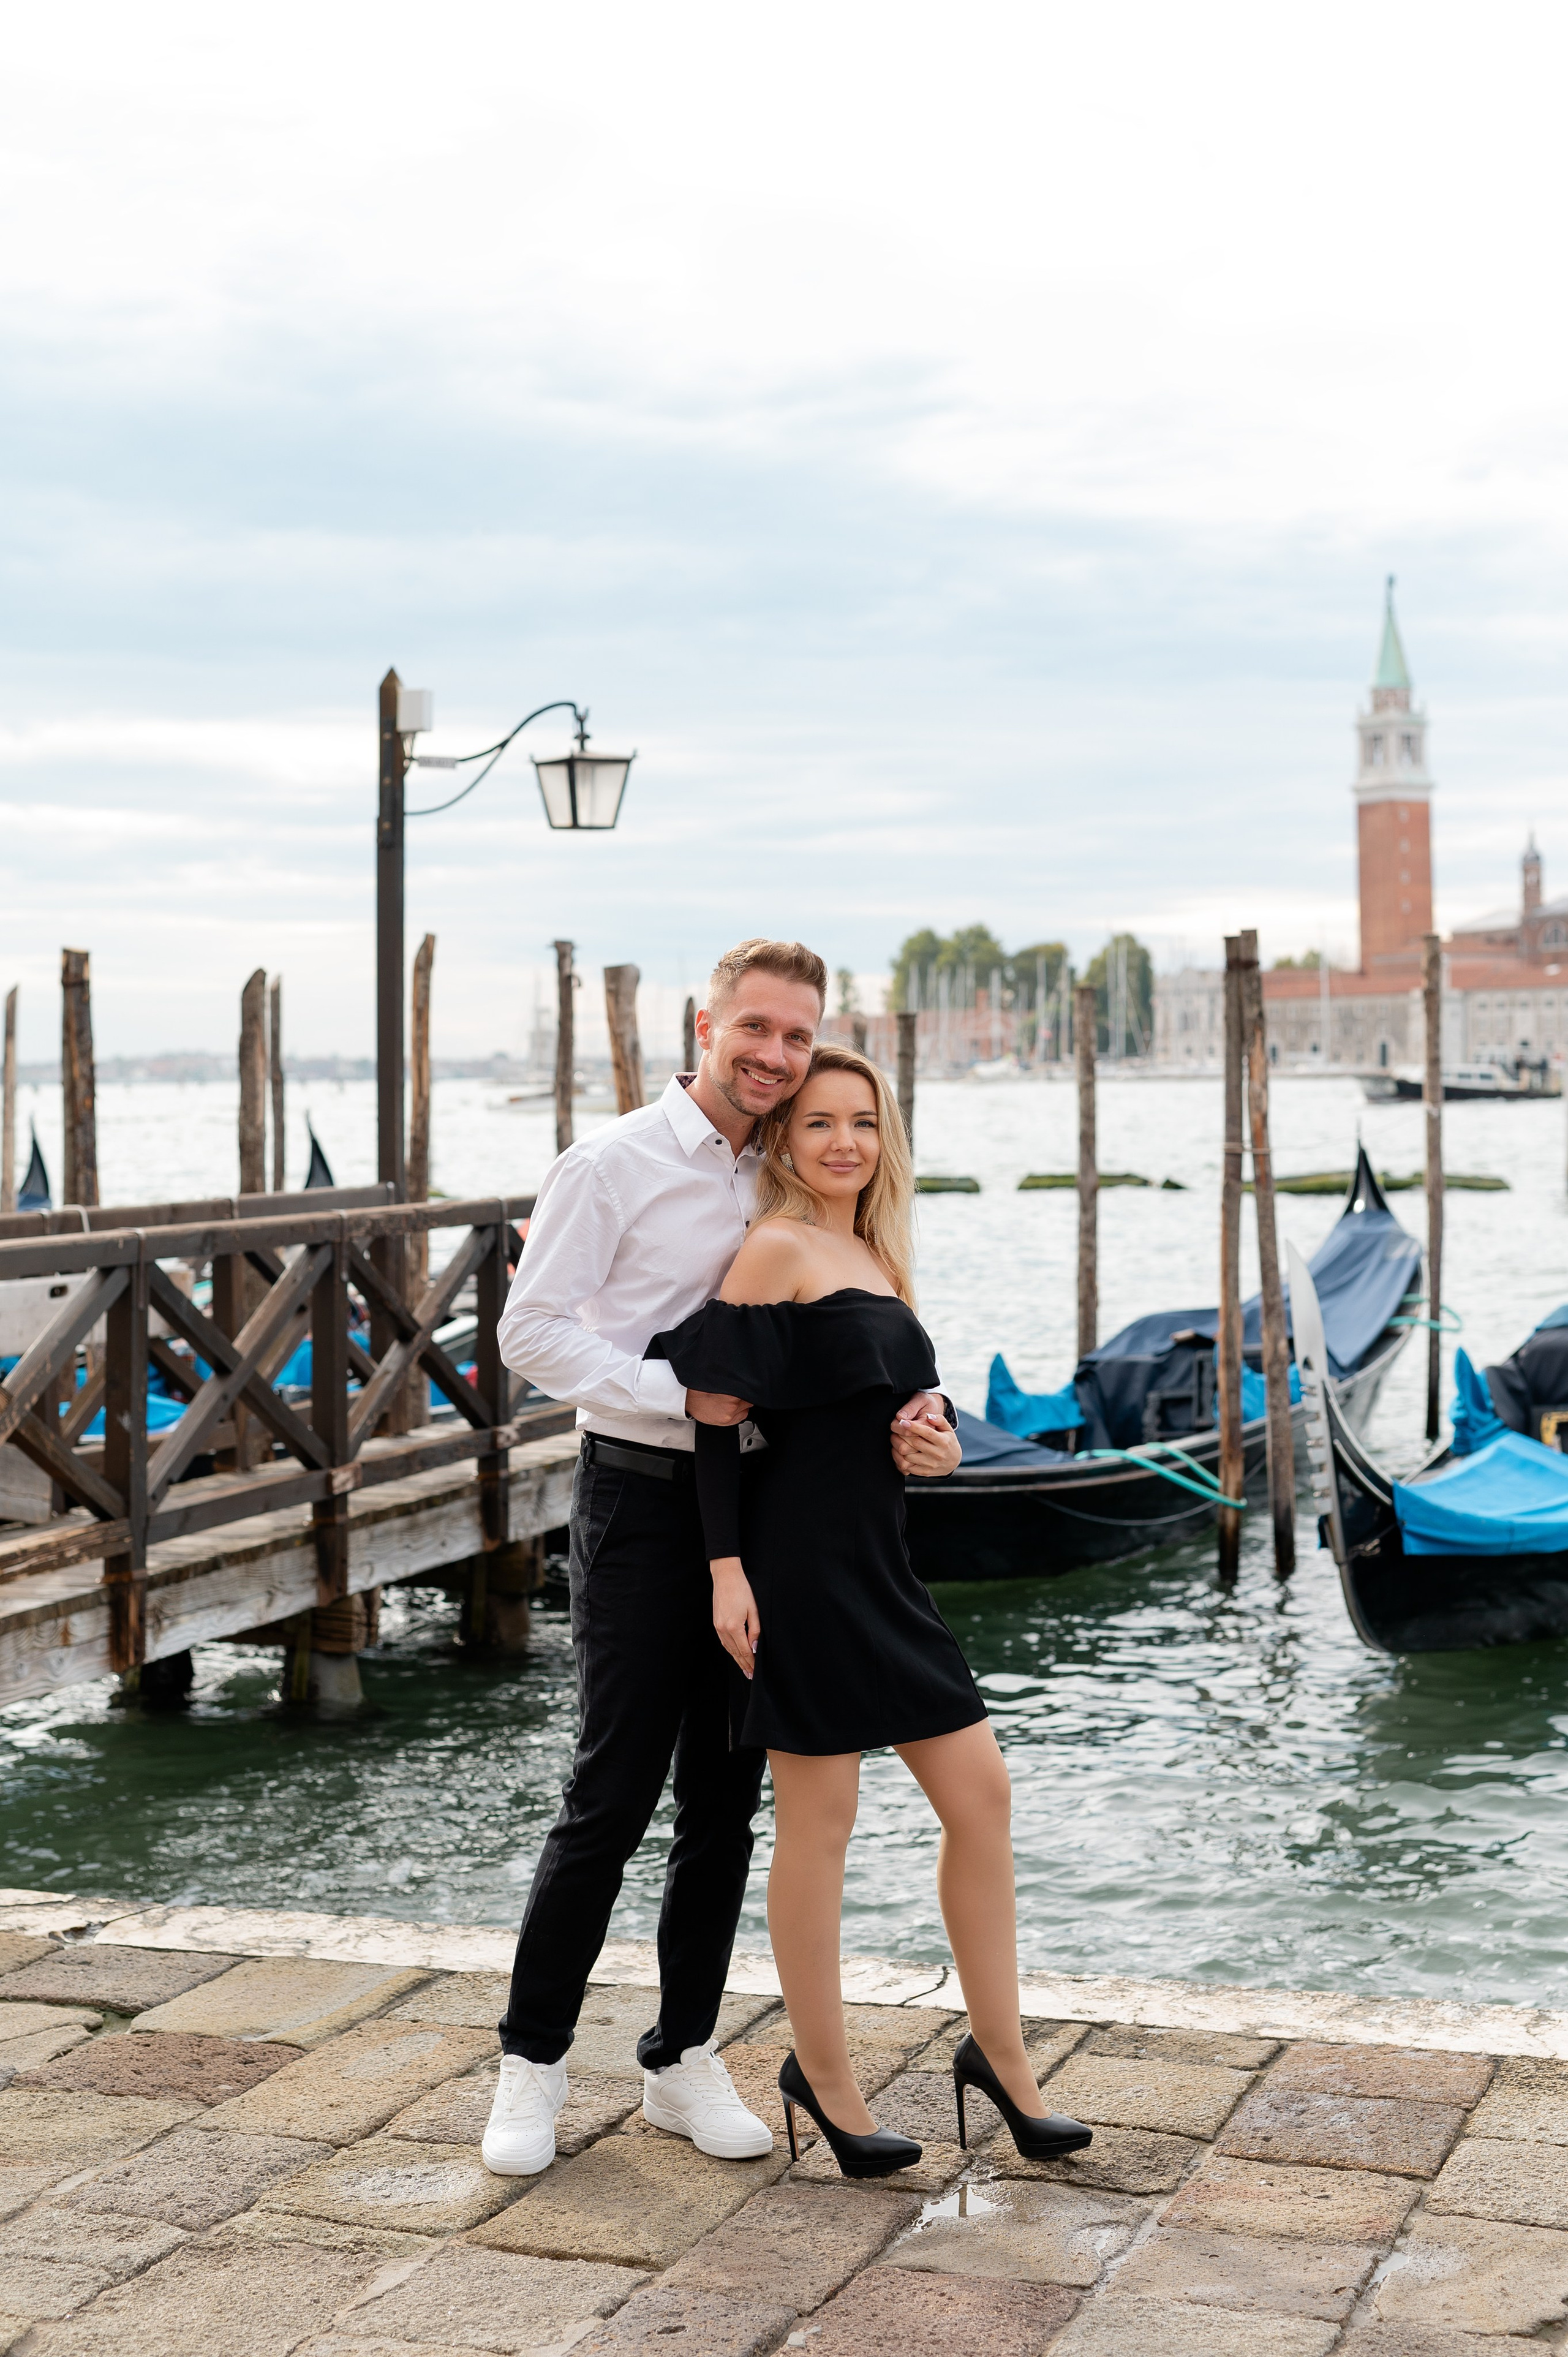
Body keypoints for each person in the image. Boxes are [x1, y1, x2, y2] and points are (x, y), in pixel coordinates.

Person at [484, 943, 954, 2176]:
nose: (773, 1055)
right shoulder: (613, 1163)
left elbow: (847, 1332)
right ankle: (530, 2063)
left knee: (726, 1805)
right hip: (642, 1502)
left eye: (795, 1037)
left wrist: (908, 1427)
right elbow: (526, 1329)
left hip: (767, 1519)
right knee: (610, 1793)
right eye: (755, 1028)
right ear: (706, 1023)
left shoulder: (794, 1159)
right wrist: (683, 1387)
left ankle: (679, 2056)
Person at [646, 1043, 1093, 2178]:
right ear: (785, 1144)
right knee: (822, 1826)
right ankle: (828, 2082)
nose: (845, 1141)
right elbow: (711, 1416)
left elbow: (896, 1422)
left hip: (882, 1567)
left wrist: (930, 1447)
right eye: (817, 1124)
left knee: (981, 1796)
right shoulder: (777, 1246)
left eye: (864, 1121)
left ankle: (1005, 2062)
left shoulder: (879, 1257)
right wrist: (726, 1571)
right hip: (793, 1568)